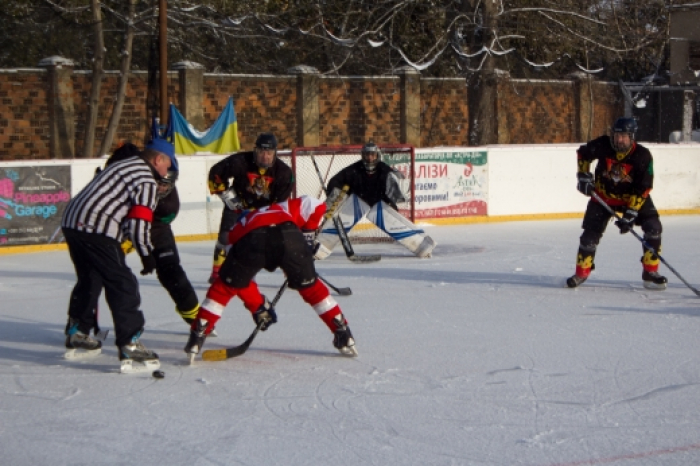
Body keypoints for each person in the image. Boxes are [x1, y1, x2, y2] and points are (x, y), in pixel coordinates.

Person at [184, 195, 357, 361]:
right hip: (290, 237)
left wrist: (258, 307)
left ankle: (197, 336)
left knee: (223, 289)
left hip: (253, 240)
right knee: (312, 289)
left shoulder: (236, 230)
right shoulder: (282, 207)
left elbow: (240, 282)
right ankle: (342, 332)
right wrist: (307, 237)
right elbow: (316, 205)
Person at [61, 139, 172, 372]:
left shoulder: (125, 164)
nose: (167, 172)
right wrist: (146, 252)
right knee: (122, 282)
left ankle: (77, 330)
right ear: (158, 159)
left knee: (90, 277)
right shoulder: (146, 179)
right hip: (96, 227)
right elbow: (139, 221)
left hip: (72, 222)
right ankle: (130, 342)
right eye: (167, 164)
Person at [107, 142, 201, 328]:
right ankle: (81, 324)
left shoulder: (169, 206)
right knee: (102, 271)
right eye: (158, 182)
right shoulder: (135, 169)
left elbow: (152, 228)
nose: (160, 189)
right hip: (123, 225)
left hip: (153, 228)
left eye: (165, 185)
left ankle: (195, 317)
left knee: (171, 271)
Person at [567, 117, 667, 290]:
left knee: (653, 227)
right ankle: (581, 273)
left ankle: (650, 272)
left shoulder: (642, 155)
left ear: (632, 137)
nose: (619, 140)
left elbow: (644, 187)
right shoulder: (604, 145)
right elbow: (583, 153)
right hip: (603, 197)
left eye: (624, 136)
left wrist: (631, 213)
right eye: (617, 135)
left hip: (632, 199)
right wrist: (583, 175)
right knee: (589, 237)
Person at [315, 141, 436, 259]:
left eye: (372, 154)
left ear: (377, 155)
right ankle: (320, 248)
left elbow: (396, 184)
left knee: (393, 222)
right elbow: (335, 181)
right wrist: (334, 194)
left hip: (379, 203)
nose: (370, 157)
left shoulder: (384, 169)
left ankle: (422, 245)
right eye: (367, 154)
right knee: (340, 221)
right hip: (358, 201)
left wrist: (392, 202)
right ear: (363, 155)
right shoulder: (355, 169)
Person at [207, 132, 293, 283]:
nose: (264, 156)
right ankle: (217, 273)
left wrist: (271, 217)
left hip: (264, 212)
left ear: (275, 153)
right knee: (225, 237)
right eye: (261, 151)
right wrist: (227, 195)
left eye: (269, 152)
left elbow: (281, 203)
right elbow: (216, 173)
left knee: (280, 240)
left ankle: (291, 270)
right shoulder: (241, 161)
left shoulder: (284, 172)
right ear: (255, 151)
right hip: (238, 206)